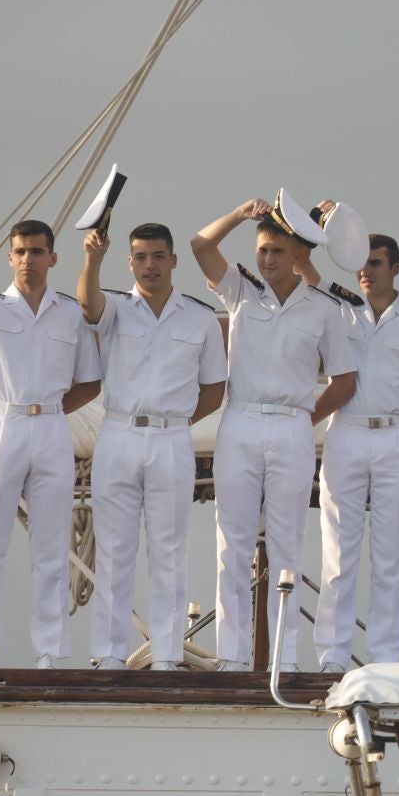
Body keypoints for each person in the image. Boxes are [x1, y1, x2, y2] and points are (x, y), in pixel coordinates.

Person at [192, 198, 357, 670]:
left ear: (297, 256)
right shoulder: (240, 292)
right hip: (240, 420)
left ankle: (284, 659)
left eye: (277, 252)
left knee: (288, 545)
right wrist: (239, 215)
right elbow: (201, 245)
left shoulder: (324, 309)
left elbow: (344, 381)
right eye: (262, 250)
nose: (266, 259)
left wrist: (305, 420)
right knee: (233, 544)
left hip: (292, 424)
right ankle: (232, 658)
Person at [0, 214, 101, 667]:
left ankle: (50, 652)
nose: (28, 259)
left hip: (51, 426)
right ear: (8, 257)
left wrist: (50, 413)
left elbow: (90, 382)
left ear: (52, 257)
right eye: (20, 251)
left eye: (36, 251)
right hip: (2, 422)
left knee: (53, 546)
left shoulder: (71, 314)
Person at [76, 221, 225, 670]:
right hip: (119, 433)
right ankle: (108, 653)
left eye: (158, 256)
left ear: (173, 260)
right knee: (116, 550)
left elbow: (214, 389)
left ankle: (166, 655)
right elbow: (87, 304)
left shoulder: (200, 318)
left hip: (172, 438)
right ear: (129, 262)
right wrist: (92, 259)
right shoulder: (116, 309)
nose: (149, 265)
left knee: (169, 551)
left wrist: (175, 424)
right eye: (139, 257)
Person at [312, 230, 399, 673]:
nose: (365, 271)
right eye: (360, 264)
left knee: (390, 556)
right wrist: (319, 223)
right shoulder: (341, 312)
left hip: (396, 438)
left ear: (394, 269)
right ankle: (332, 658)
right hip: (346, 433)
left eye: (375, 263)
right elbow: (305, 270)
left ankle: (386, 657)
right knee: (338, 553)